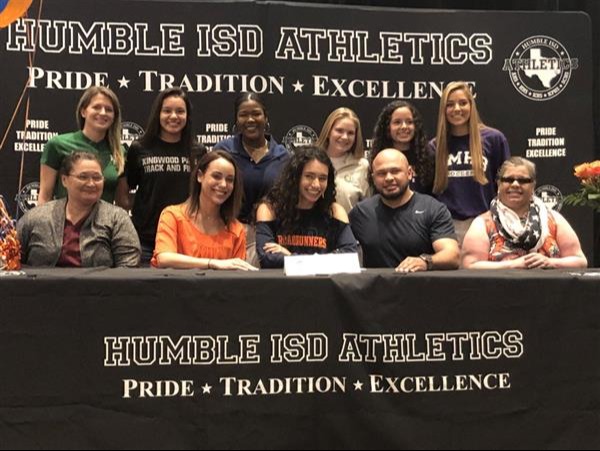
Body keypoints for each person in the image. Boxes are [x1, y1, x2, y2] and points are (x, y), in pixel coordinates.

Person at [116, 88, 206, 264]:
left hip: (186, 238)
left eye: (180, 111)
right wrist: (146, 202)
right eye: (167, 111)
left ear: (188, 116)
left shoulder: (197, 151)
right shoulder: (139, 148)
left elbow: (203, 195)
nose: (173, 116)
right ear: (158, 113)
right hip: (146, 239)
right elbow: (123, 195)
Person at [18, 152, 140, 267]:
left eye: (97, 178)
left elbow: (128, 267)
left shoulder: (117, 218)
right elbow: (10, 261)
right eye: (83, 177)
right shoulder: (35, 217)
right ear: (64, 180)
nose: (91, 184)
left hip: (99, 289)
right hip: (40, 288)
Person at [462, 157, 587, 269]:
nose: (515, 184)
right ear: (499, 184)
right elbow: (471, 265)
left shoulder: (554, 220)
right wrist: (513, 265)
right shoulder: (484, 224)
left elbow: (580, 261)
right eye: (508, 180)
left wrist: (550, 263)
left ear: (533, 185)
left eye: (523, 181)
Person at [349, 148, 459, 272]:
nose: (389, 178)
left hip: (419, 288)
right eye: (381, 173)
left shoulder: (433, 209)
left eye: (395, 171)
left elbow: (452, 255)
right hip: (375, 289)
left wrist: (424, 261)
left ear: (409, 173)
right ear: (373, 178)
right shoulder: (361, 212)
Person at [429, 81, 511, 245]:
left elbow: (506, 184)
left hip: (486, 223)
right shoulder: (435, 146)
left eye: (463, 103)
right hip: (447, 228)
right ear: (443, 110)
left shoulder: (494, 139)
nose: (457, 109)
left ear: (471, 105)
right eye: (450, 104)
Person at [213, 92, 290, 265]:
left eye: (256, 113)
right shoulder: (223, 151)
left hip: (271, 237)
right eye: (243, 114)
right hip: (227, 235)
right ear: (236, 119)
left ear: (265, 116)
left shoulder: (283, 156)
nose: (250, 119)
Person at [152, 150, 257, 271]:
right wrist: (212, 263)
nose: (223, 184)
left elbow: (238, 275)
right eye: (216, 176)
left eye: (229, 180)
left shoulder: (236, 230)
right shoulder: (172, 216)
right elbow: (164, 258)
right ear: (200, 176)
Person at [255, 146, 358, 269]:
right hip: (282, 285)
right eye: (309, 176)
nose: (316, 184)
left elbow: (350, 257)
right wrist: (323, 260)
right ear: (296, 177)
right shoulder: (270, 209)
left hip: (321, 285)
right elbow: (267, 259)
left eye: (322, 178)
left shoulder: (334, 211)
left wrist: (291, 257)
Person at [38, 86, 126, 205]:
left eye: (109, 109)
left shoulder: (120, 152)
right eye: (96, 107)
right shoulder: (58, 145)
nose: (103, 113)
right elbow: (44, 196)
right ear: (83, 111)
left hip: (106, 223)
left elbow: (122, 203)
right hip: (64, 222)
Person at [371, 100, 434, 194]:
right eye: (397, 122)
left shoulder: (428, 157)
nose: (404, 127)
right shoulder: (378, 158)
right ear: (388, 127)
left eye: (409, 122)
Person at [316, 107, 369, 213]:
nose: (345, 137)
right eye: (339, 131)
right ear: (328, 131)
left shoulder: (362, 166)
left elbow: (368, 208)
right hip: (312, 228)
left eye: (350, 133)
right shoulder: (311, 161)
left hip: (348, 228)